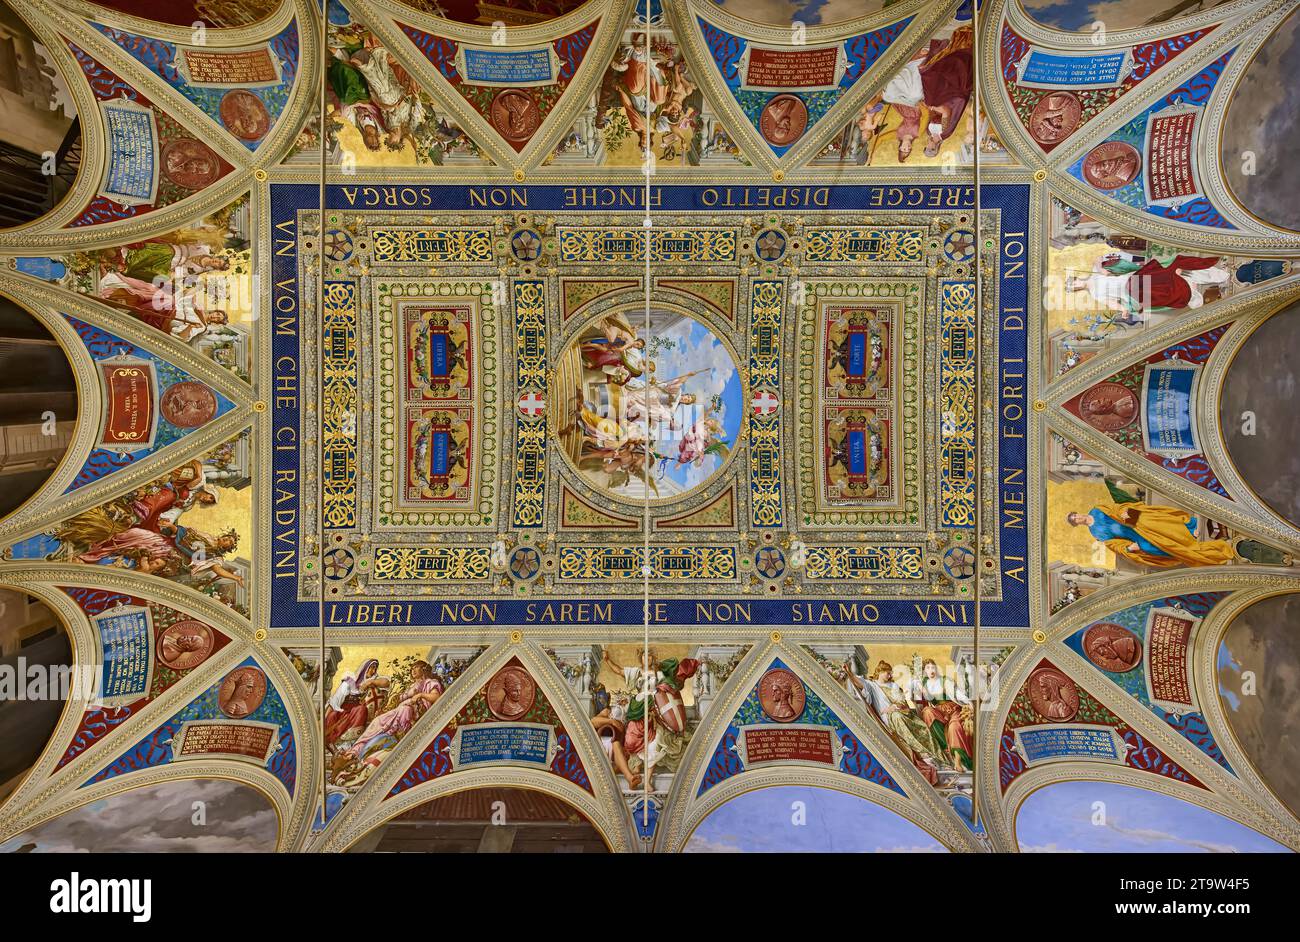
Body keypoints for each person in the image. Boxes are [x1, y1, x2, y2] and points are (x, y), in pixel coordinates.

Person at [1067, 478, 1236, 568]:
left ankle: (1189, 530)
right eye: (1075, 521)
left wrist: (1123, 512)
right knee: (1148, 548)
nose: (1078, 518)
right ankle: (1189, 547)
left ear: (1078, 514)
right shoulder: (1095, 533)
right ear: (1078, 524)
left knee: (1154, 523)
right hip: (1132, 537)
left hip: (1134, 522)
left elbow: (1115, 509)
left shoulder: (1096, 510)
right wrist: (1127, 548)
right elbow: (1113, 544)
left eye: (1075, 516)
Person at [847, 661, 940, 784]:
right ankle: (921, 753)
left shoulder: (893, 686)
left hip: (901, 712)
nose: (890, 675)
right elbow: (859, 683)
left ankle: (925, 753)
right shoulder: (872, 685)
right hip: (885, 716)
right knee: (897, 717)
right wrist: (849, 673)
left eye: (891, 673)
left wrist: (896, 706)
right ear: (880, 671)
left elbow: (902, 700)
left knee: (917, 723)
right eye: (887, 673)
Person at [347, 660, 443, 760]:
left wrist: (420, 694)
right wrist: (385, 710)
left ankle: (398, 735)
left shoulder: (430, 682)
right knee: (377, 721)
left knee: (405, 709)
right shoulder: (410, 686)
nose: (413, 670)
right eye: (412, 668)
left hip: (415, 713)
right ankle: (355, 750)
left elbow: (436, 697)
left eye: (416, 667)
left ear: (423, 669)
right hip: (399, 711)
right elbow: (396, 703)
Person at [324, 658, 390, 747]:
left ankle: (349, 742)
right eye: (372, 667)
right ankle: (333, 741)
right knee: (333, 715)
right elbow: (336, 700)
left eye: (375, 668)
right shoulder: (350, 682)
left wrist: (370, 682)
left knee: (361, 709)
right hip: (343, 712)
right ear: (365, 668)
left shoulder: (372, 681)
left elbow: (386, 682)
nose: (373, 671)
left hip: (357, 713)